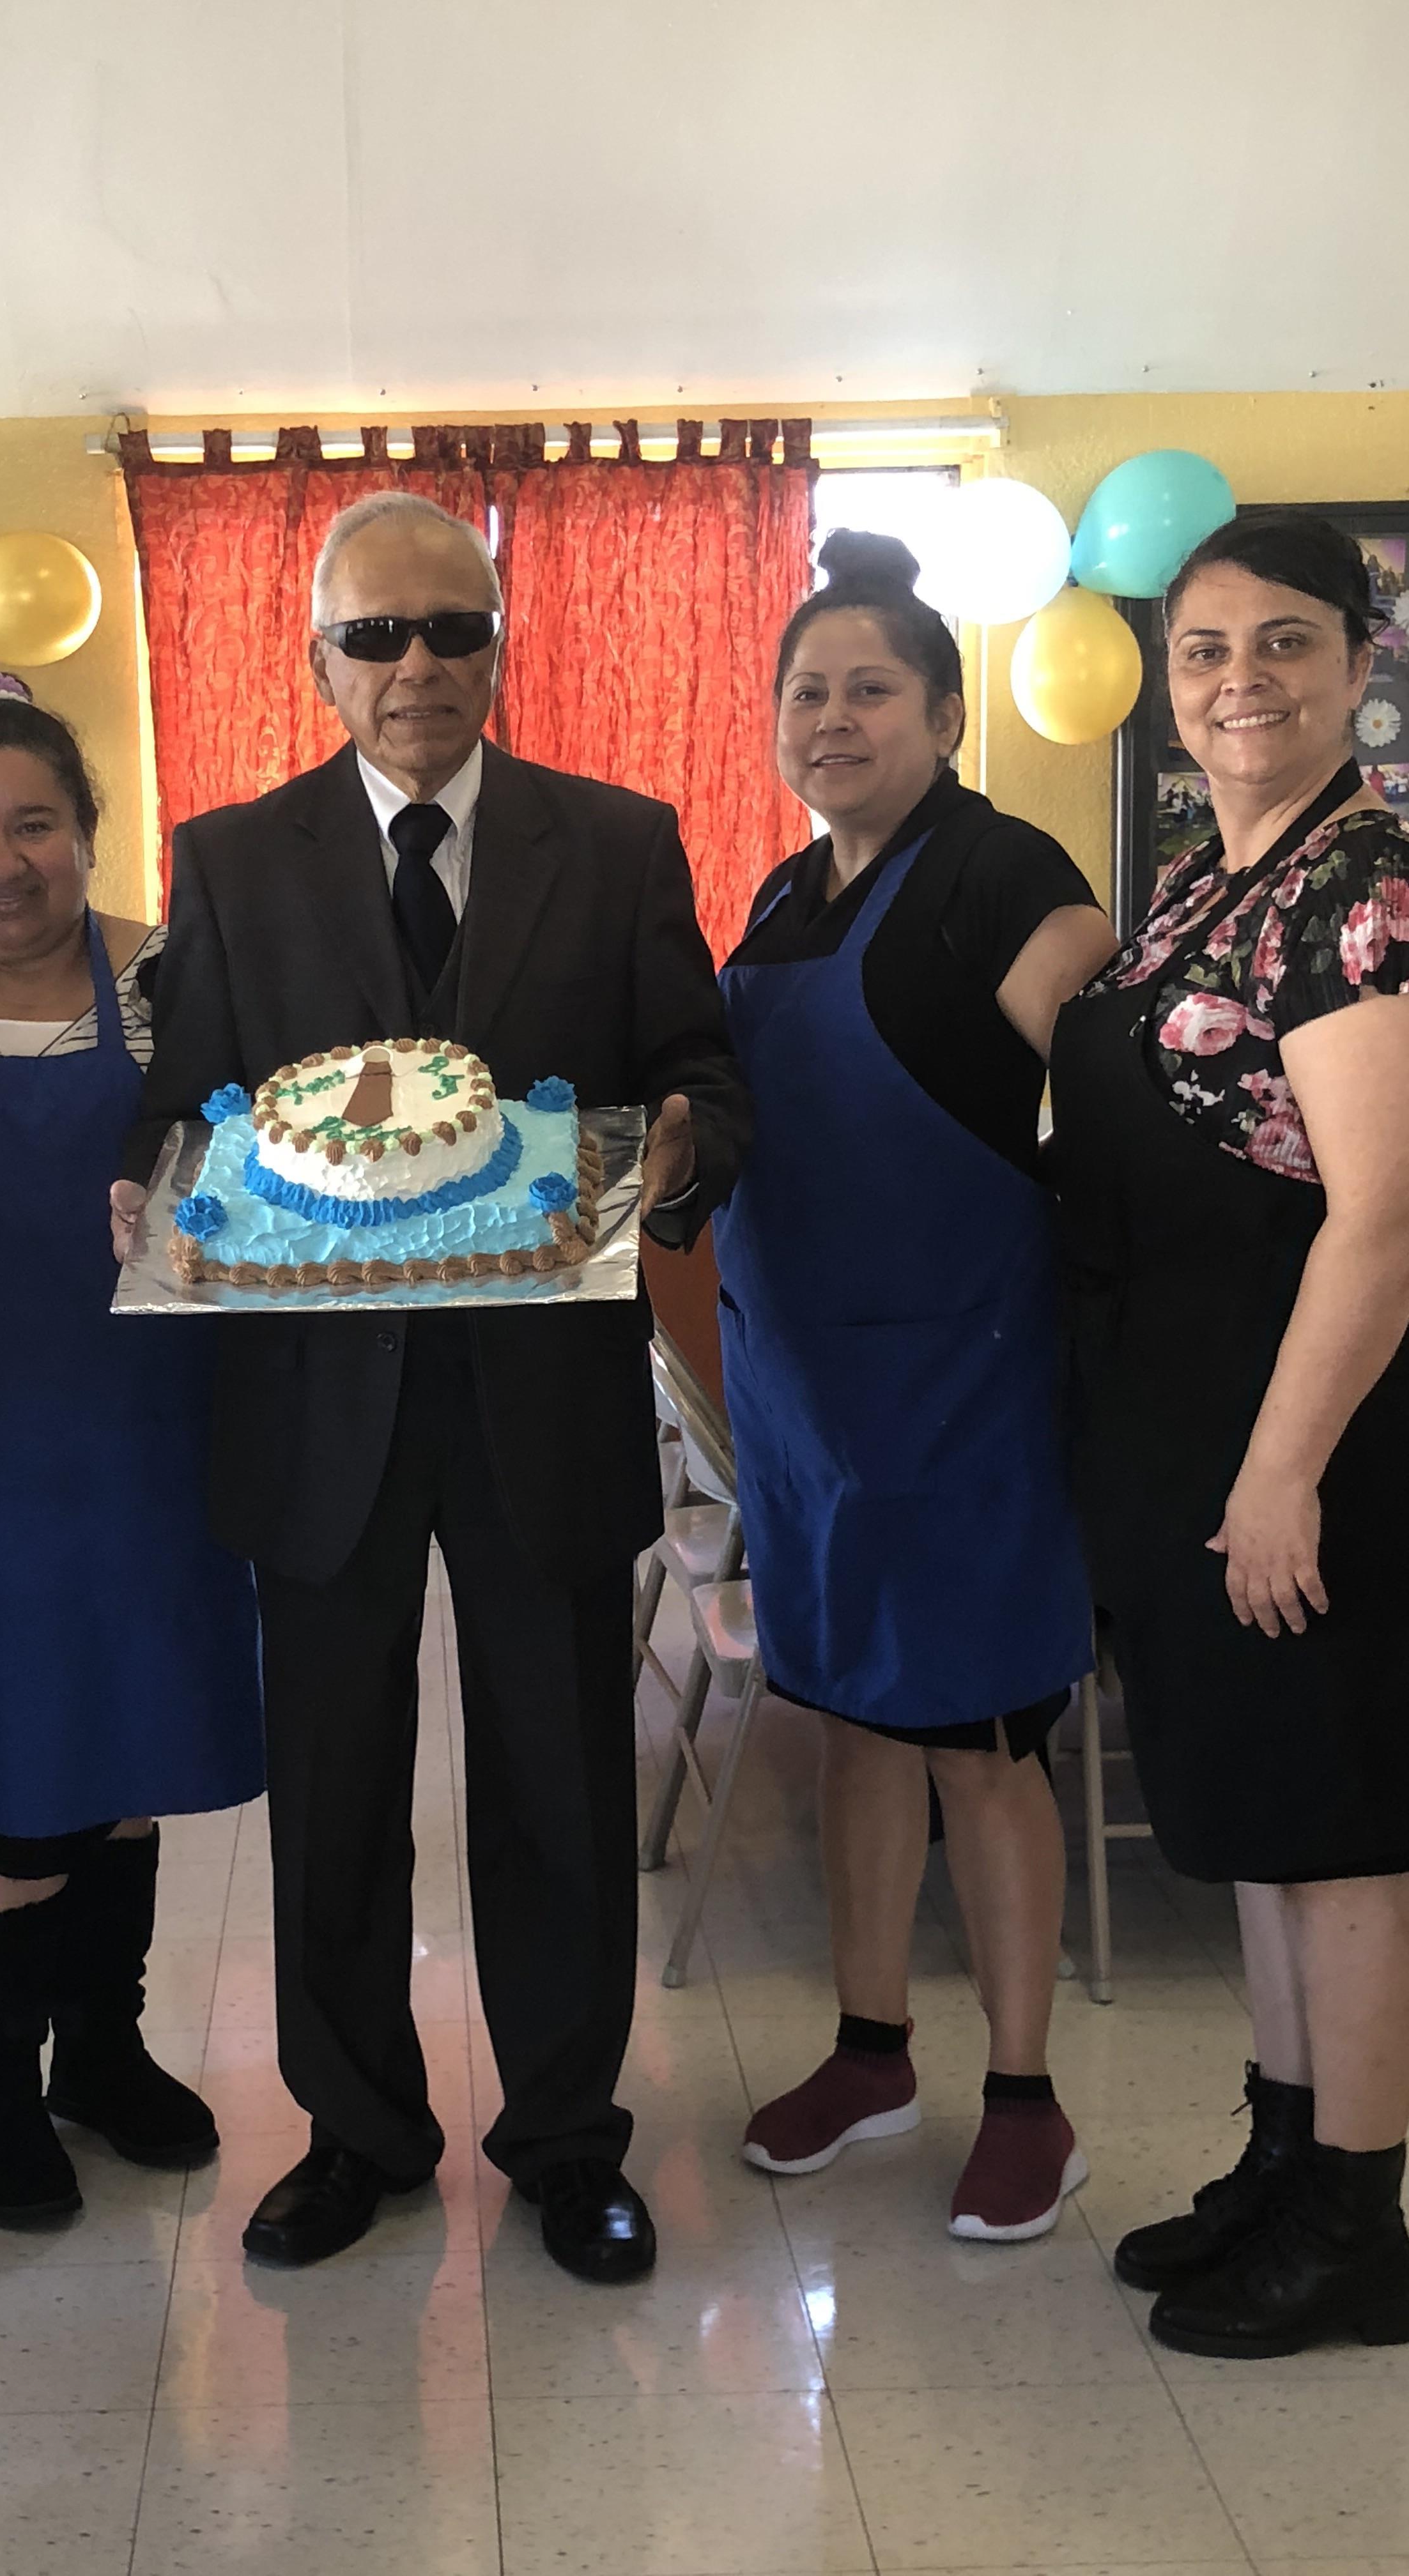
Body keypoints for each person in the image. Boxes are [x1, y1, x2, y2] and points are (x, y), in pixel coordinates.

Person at [112, 491, 749, 2282]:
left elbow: (704, 1073)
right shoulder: (231, 859)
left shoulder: (616, 843)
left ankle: (567, 2136)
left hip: (543, 1399)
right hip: (319, 1406)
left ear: (498, 646)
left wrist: (683, 1150)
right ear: (319, 660)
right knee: (334, 1793)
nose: (417, 667)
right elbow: (187, 1106)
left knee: (561, 1782)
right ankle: (358, 2133)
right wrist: (149, 1187)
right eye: (376, 635)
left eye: (454, 628)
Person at [718, 532, 1117, 2241]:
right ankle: (870, 2051)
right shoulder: (779, 897)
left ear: (945, 716)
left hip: (963, 1394)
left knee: (978, 1745)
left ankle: (1027, 2100)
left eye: (871, 688)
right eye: (806, 690)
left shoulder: (1000, 873)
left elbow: (1115, 1091)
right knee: (851, 1725)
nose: (832, 718)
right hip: (808, 1404)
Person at [1051, 509, 1409, 2358]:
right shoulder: (1208, 872)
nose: (1239, 680)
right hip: (1184, 1419)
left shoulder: (1369, 886)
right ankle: (1282, 2158)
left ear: (1360, 663)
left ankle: (1360, 2217)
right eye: (1204, 649)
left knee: (1338, 1827)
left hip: (1310, 1436)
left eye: (1284, 642)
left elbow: (1384, 1221)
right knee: (1263, 1815)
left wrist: (1280, 1477)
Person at [0, 674, 262, 2230]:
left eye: (33, 826)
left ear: (89, 831)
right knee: (21, 1795)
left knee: (129, 1772)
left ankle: (103, 2052)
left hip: (160, 1441)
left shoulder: (169, 976)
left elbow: (254, 1167)